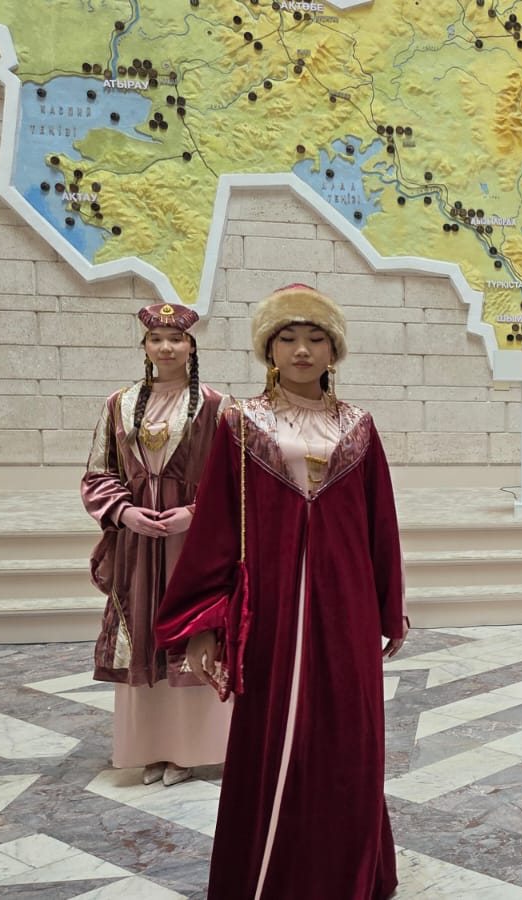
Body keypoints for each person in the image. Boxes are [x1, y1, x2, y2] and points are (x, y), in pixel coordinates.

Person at [154, 284, 408, 899]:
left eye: (316, 338)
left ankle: (350, 872)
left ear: (334, 350)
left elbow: (381, 521)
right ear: (268, 348)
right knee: (272, 733)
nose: (302, 350)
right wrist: (206, 619)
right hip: (269, 604)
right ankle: (268, 873)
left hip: (346, 603)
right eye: (288, 338)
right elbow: (218, 524)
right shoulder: (242, 423)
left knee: (349, 733)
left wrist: (387, 608)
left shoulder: (358, 426)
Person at [82, 303, 231, 788]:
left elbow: (235, 479)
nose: (166, 347)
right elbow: (99, 473)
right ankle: (151, 748)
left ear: (192, 346)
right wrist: (125, 513)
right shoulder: (118, 404)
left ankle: (190, 750)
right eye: (156, 339)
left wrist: (194, 513)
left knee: (191, 633)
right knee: (143, 634)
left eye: (176, 338)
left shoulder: (218, 406)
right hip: (138, 547)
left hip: (194, 544)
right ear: (144, 346)